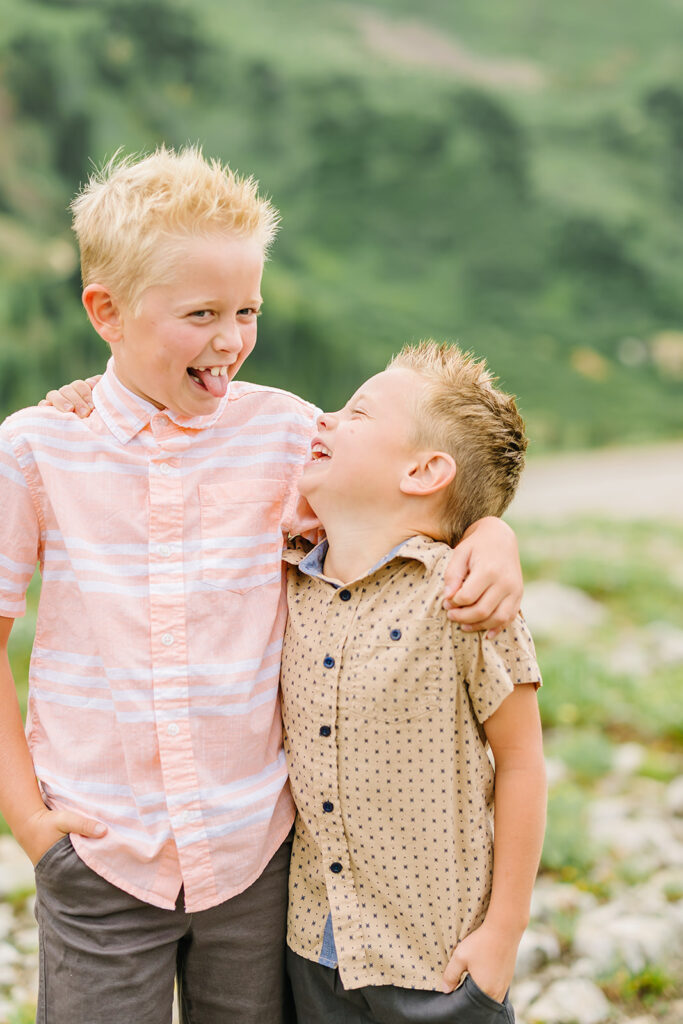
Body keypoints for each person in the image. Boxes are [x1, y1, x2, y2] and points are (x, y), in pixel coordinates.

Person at [0, 147, 524, 1024]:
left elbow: (408, 490)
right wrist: (29, 822)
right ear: (108, 312)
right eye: (201, 313)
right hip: (99, 849)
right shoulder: (37, 449)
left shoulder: (284, 434)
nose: (231, 339)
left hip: (255, 853)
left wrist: (493, 532)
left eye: (246, 310)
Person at [281, 341, 547, 1024]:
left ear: (425, 469)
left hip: (437, 955)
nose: (326, 418)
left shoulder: (462, 596)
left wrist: (502, 935)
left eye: (357, 412)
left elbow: (519, 762)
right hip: (313, 946)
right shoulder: (285, 576)